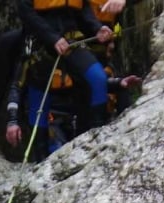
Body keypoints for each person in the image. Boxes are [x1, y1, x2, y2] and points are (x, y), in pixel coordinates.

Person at [15, 0, 114, 136]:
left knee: (98, 78)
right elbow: (26, 13)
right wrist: (52, 38)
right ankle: (40, 152)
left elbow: (83, 8)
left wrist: (97, 28)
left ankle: (98, 132)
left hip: (71, 41)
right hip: (41, 43)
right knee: (38, 98)